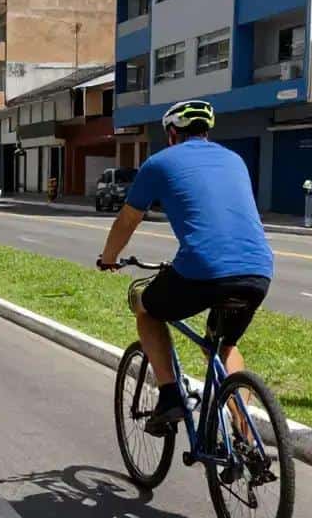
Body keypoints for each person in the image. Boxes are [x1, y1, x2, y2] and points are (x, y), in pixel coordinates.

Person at [97, 100, 274, 436]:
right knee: (223, 346)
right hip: (258, 270)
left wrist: (108, 258)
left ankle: (169, 397)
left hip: (202, 267)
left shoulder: (159, 163)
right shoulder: (234, 160)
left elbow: (128, 220)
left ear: (173, 133)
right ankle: (246, 439)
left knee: (147, 310)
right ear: (206, 131)